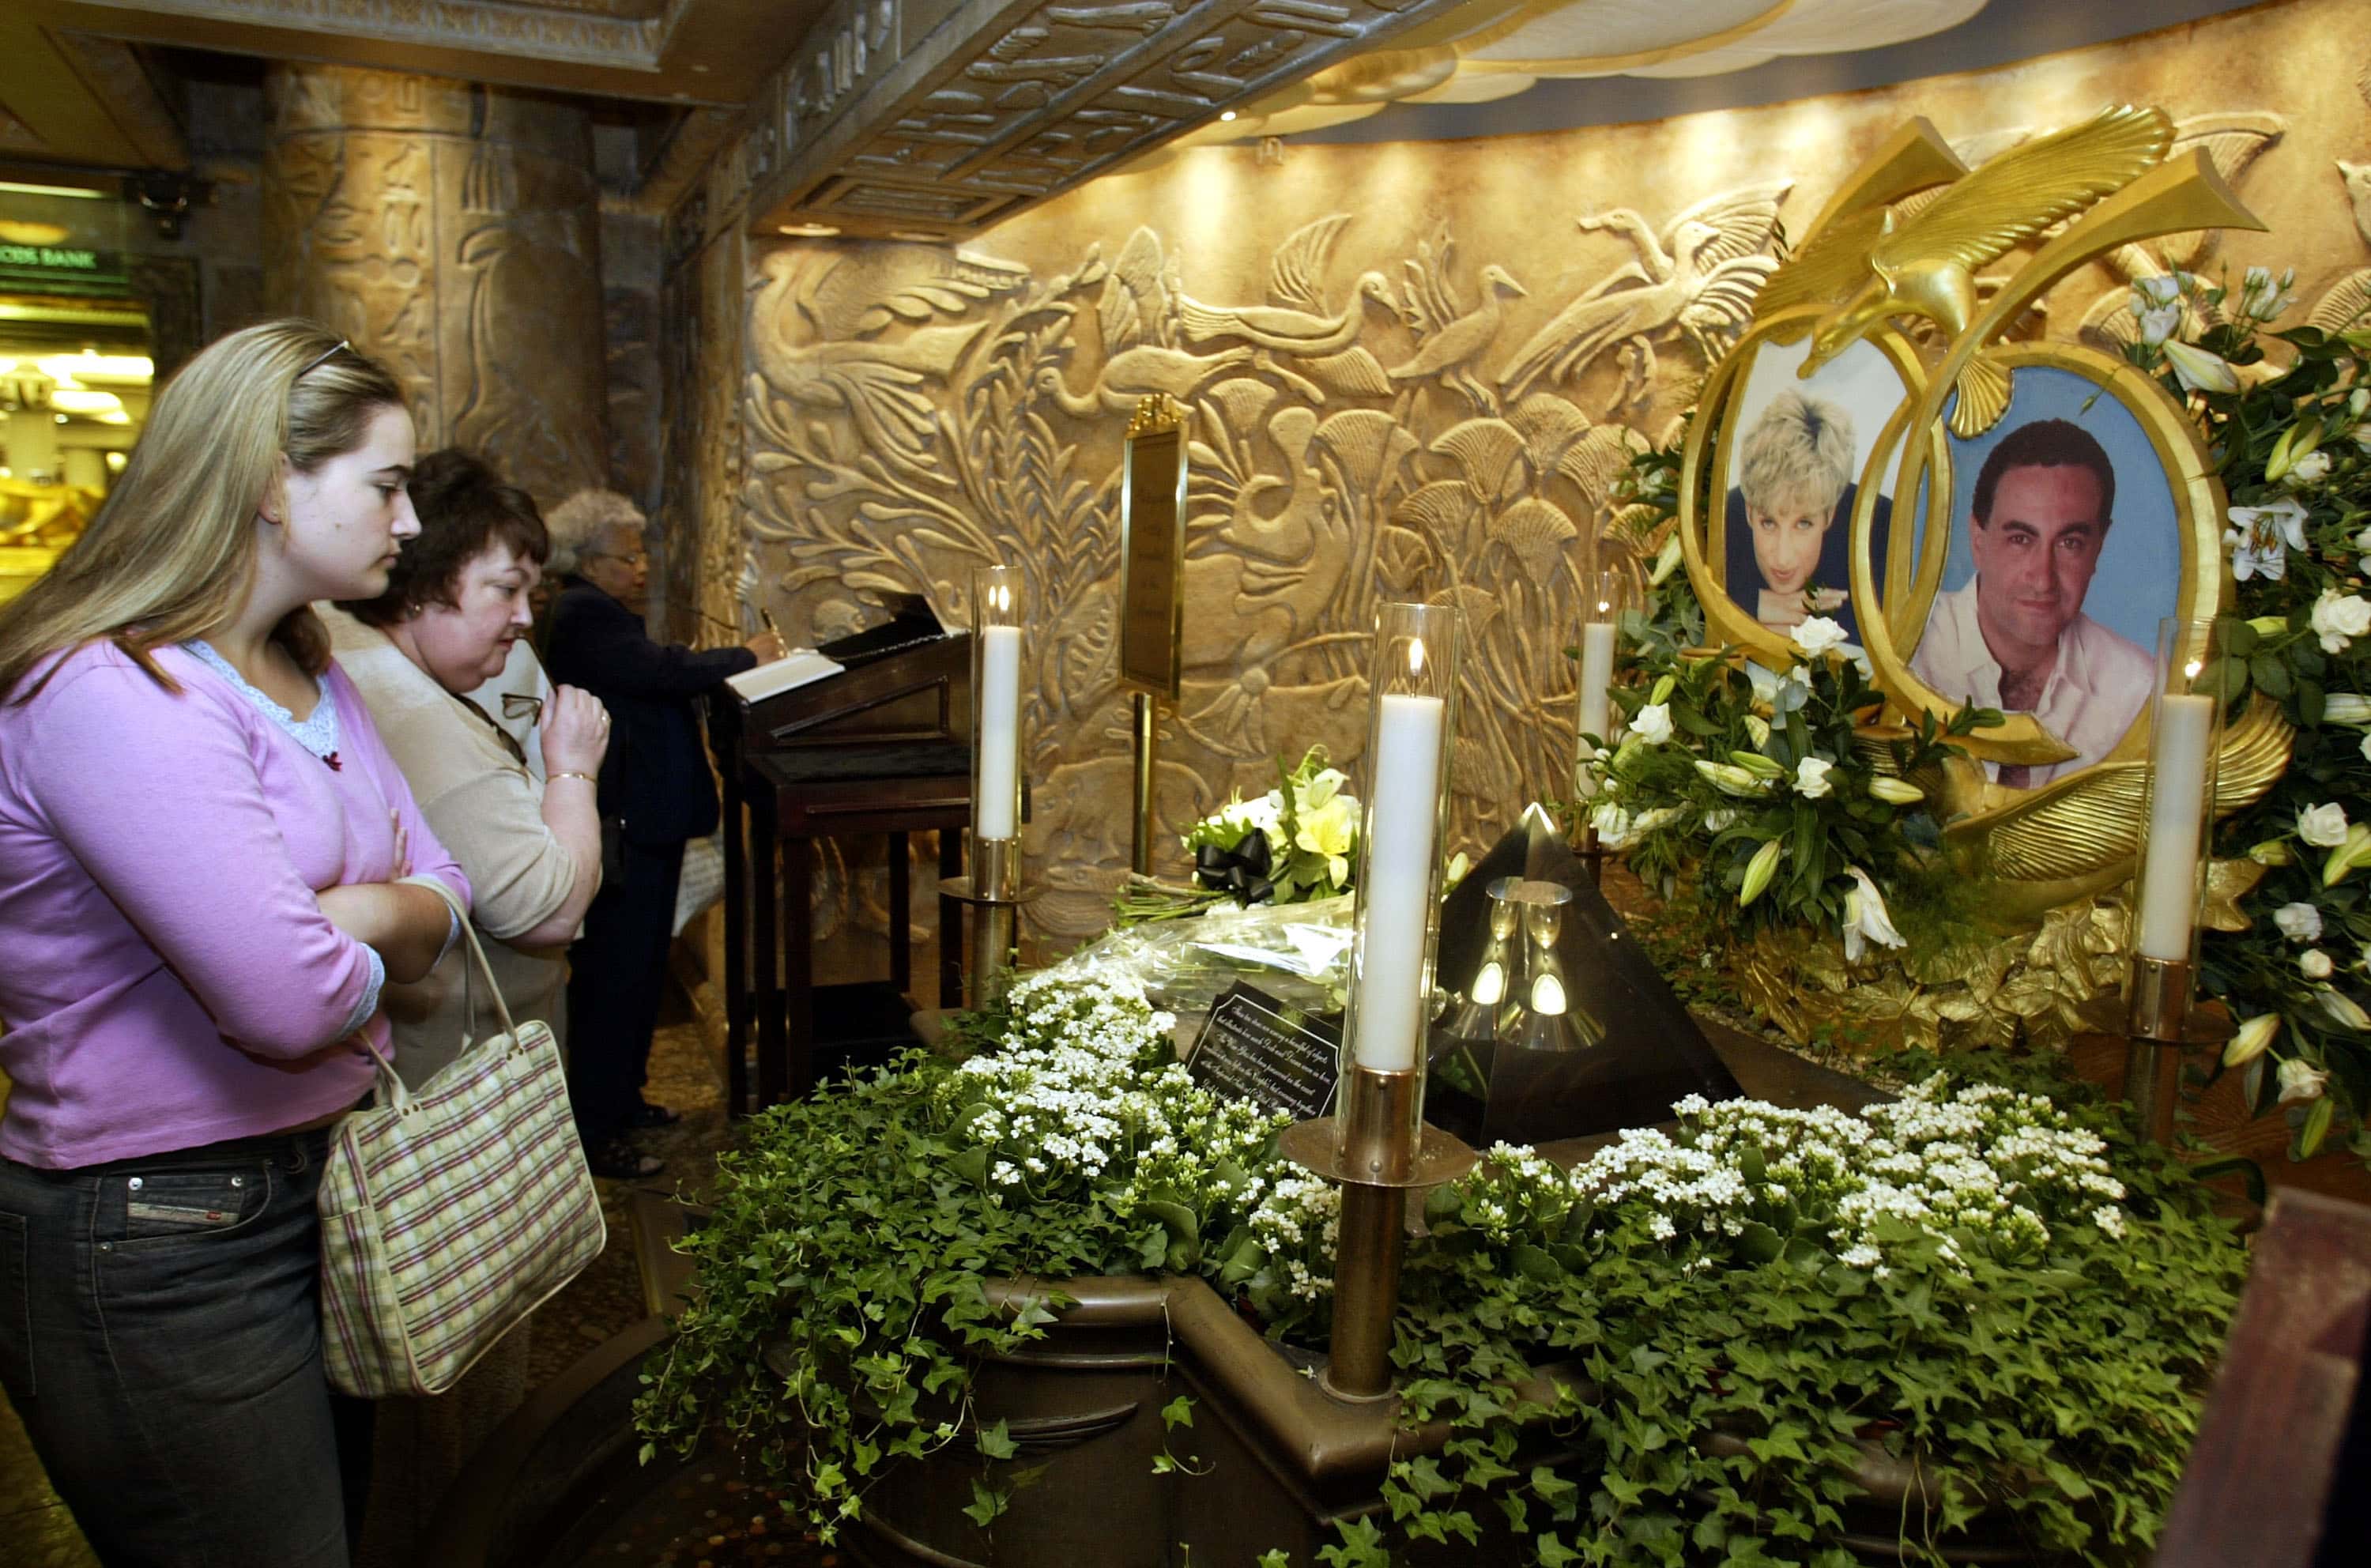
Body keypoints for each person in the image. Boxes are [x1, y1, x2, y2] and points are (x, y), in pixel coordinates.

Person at [0, 320, 469, 1567]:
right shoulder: (112, 691)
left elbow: (450, 888)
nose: (410, 519)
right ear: (270, 483)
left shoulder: (310, 668)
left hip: (315, 1178)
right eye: (384, 483)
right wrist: (370, 930)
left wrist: (356, 916)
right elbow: (281, 1003)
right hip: (157, 1231)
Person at [322, 448, 609, 1568]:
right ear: (424, 581)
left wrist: (503, 654)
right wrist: (571, 773)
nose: (524, 620)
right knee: (457, 1375)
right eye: (504, 589)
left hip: (444, 1078)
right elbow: (544, 905)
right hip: (456, 1100)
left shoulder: (381, 669)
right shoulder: (413, 715)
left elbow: (512, 678)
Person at [542, 489, 782, 1178]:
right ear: (590, 561)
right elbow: (658, 672)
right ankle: (597, 1128)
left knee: (641, 973)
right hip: (629, 825)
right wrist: (747, 656)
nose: (642, 567)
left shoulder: (599, 612)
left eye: (643, 552)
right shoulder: (582, 612)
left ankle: (624, 1099)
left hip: (649, 823)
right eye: (629, 554)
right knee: (615, 980)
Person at [1910, 417, 2153, 786]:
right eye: (2021, 539)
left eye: (2070, 543)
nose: (2043, 579)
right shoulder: (1907, 646)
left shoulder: (2138, 689)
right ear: (1978, 538)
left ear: (2099, 547)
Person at [1724, 389, 1890, 642]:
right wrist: (1751, 605)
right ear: (1748, 511)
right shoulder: (1724, 521)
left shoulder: (1879, 530)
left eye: (1803, 524)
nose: (1783, 558)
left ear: (1830, 514)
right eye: (1768, 523)